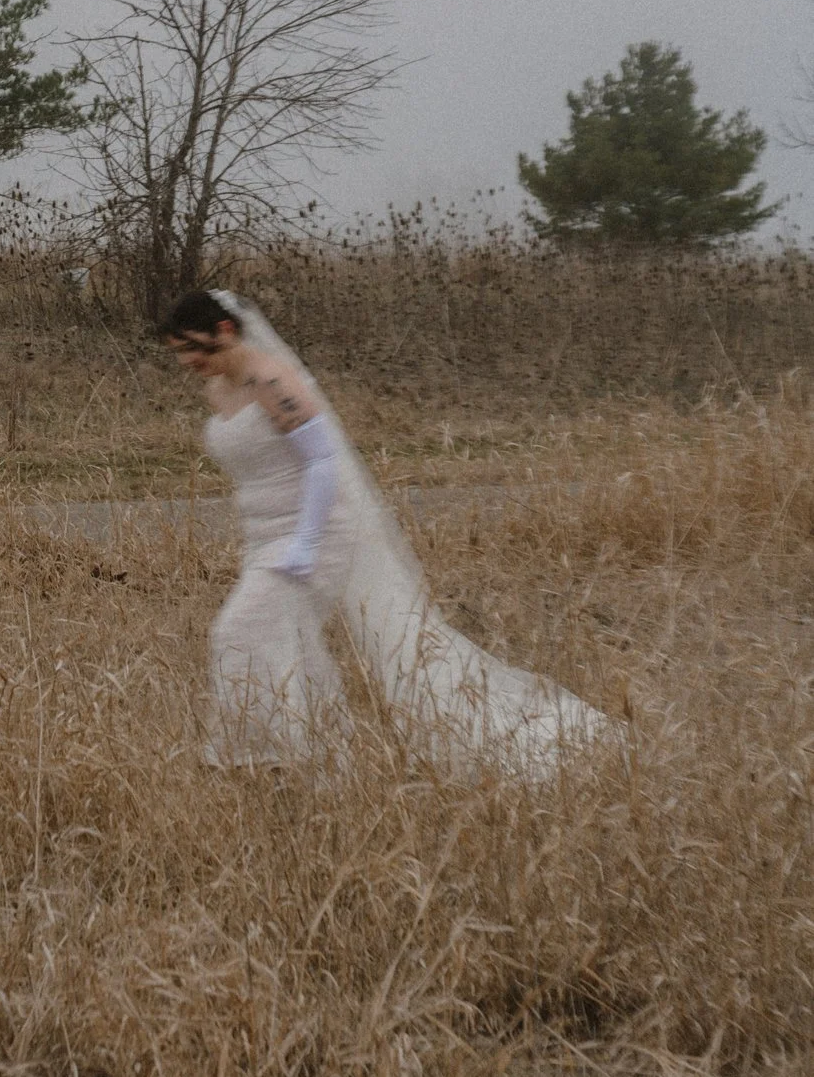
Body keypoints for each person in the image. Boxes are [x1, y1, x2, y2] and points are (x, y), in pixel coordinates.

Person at [161, 289, 612, 775]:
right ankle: (303, 754)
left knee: (238, 630)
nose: (187, 360)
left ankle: (275, 753)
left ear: (225, 330)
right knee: (278, 636)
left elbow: (321, 459)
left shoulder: (272, 380)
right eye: (178, 352)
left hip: (315, 534)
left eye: (193, 346)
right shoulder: (218, 390)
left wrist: (307, 540)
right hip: (263, 539)